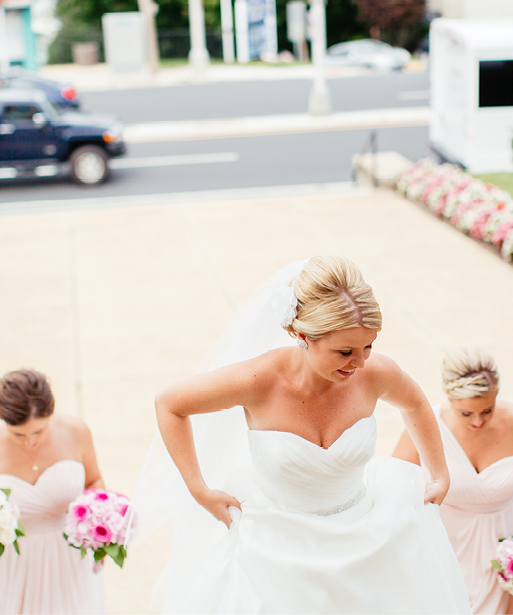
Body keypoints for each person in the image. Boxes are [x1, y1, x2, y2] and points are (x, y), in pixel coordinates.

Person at [136, 256, 470, 613]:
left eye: (368, 347)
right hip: (277, 548)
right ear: (302, 336)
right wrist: (198, 488)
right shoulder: (258, 381)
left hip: (366, 538)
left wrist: (439, 472)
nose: (359, 363)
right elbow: (169, 404)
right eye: (345, 352)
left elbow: (416, 403)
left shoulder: (373, 373)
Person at [393, 346, 513, 614]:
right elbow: (396, 479)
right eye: (466, 413)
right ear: (449, 398)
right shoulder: (425, 424)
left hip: (503, 546)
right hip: (446, 544)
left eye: (487, 410)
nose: (478, 421)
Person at [0, 369, 106, 614]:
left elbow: (94, 480)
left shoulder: (77, 432)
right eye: (18, 434)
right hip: (10, 565)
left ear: (51, 413)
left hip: (69, 558)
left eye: (38, 431)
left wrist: (100, 530)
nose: (30, 441)